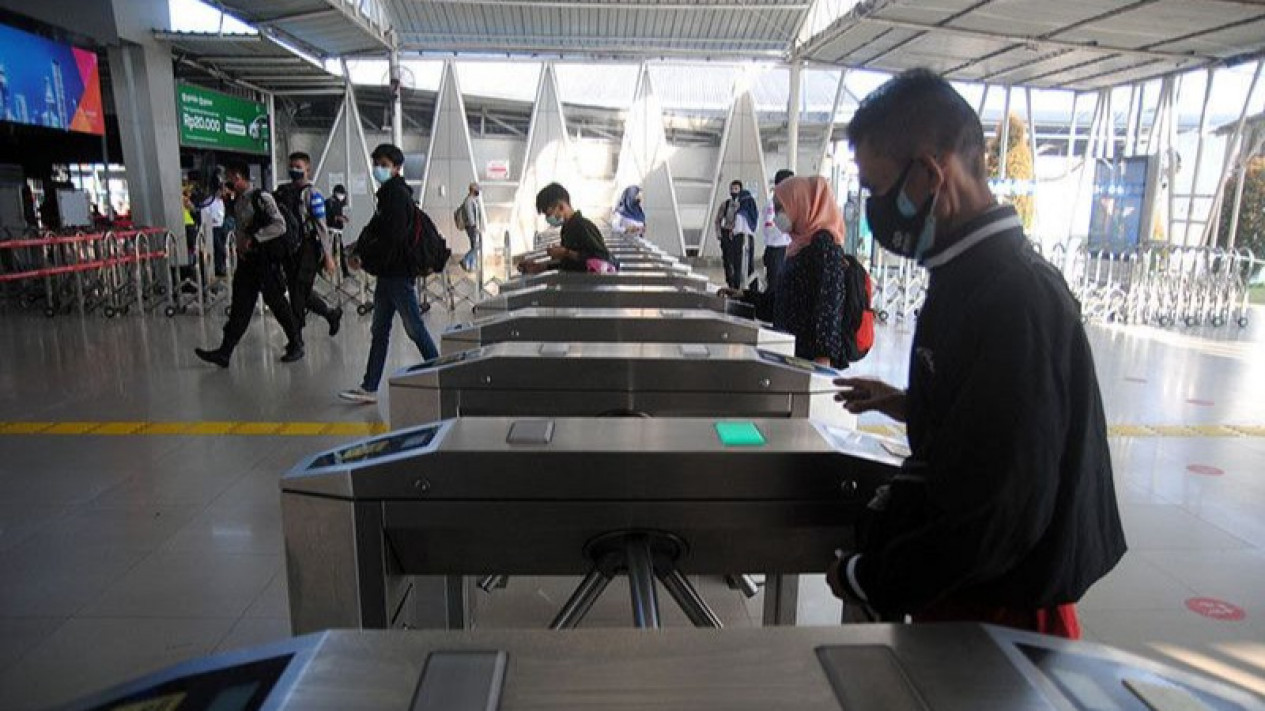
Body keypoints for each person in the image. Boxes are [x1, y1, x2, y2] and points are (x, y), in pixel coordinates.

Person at [828, 68, 1125, 640]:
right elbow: (991, 420)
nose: (874, 208)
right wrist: (909, 403)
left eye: (876, 187)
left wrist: (871, 577)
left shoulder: (1017, 297)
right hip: (964, 589)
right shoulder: (964, 275)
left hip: (1005, 611)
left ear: (930, 173)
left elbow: (1000, 511)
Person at [339, 143, 440, 404]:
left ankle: (441, 373)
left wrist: (365, 256)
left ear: (396, 168)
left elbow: (392, 238)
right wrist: (361, 249)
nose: (378, 169)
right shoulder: (388, 195)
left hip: (397, 273)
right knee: (380, 330)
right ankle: (370, 387)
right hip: (388, 274)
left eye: (384, 165)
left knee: (413, 328)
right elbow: (376, 230)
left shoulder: (396, 196)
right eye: (376, 164)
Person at [721, 176, 849, 368]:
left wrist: (822, 362)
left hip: (807, 360)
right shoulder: (799, 245)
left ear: (801, 204)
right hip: (789, 350)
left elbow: (829, 308)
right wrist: (744, 296)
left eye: (781, 208)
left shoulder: (824, 247)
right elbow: (784, 302)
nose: (777, 215)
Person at [194, 159, 304, 367]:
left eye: (228, 178)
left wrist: (254, 239)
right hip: (248, 262)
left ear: (237, 177)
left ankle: (296, 342)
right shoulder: (238, 201)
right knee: (240, 306)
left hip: (265, 261)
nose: (226, 182)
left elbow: (279, 225)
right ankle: (225, 352)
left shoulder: (261, 198)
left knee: (277, 304)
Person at [276, 152, 343, 338]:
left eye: (298, 167)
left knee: (298, 293)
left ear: (307, 169)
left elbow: (321, 226)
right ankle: (330, 314)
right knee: (299, 292)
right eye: (291, 166)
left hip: (308, 249)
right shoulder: (283, 192)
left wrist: (328, 256)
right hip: (290, 248)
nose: (294, 170)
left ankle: (296, 339)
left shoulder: (313, 194)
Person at [521, 182, 615, 274]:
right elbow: (571, 263)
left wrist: (566, 252)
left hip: (592, 283)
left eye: (549, 214)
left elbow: (602, 258)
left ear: (561, 206)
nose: (548, 218)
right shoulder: (566, 229)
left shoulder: (582, 226)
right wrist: (541, 266)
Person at [716, 180, 757, 289]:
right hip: (728, 234)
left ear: (740, 190)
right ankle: (731, 283)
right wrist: (719, 235)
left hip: (738, 235)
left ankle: (737, 285)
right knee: (728, 261)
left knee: (739, 262)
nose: (734, 191)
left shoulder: (744, 204)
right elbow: (718, 220)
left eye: (736, 189)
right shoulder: (726, 204)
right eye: (732, 189)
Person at [761, 169, 795, 293]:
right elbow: (770, 228)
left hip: (786, 248)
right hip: (776, 249)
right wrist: (789, 228)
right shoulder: (772, 204)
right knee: (775, 287)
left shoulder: (788, 204)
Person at [325, 184, 351, 277]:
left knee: (339, 252)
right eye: (342, 194)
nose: (343, 196)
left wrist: (343, 218)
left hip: (338, 231)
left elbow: (339, 213)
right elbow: (328, 216)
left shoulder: (339, 203)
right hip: (331, 231)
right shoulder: (329, 202)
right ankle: (328, 270)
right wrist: (337, 218)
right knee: (331, 251)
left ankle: (345, 272)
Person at [459, 182, 484, 272]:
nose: (478, 191)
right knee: (477, 246)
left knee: (474, 245)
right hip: (471, 227)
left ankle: (472, 265)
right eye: (477, 190)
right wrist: (474, 227)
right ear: (473, 190)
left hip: (473, 226)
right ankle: (465, 260)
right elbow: (470, 215)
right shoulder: (468, 201)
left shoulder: (473, 200)